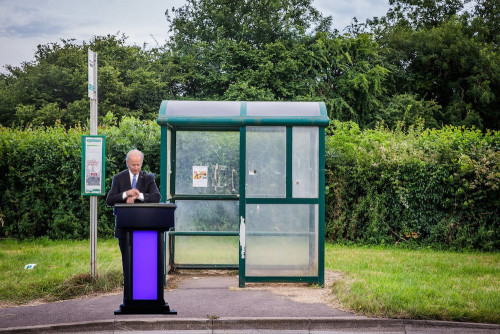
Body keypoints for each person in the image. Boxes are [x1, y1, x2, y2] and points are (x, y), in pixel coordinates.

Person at [106, 149, 161, 302]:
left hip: (144, 228)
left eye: (138, 164)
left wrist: (139, 195)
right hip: (124, 229)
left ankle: (144, 297)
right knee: (127, 262)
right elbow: (110, 200)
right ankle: (128, 297)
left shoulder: (148, 178)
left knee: (143, 263)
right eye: (133, 165)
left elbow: (156, 197)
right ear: (127, 163)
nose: (136, 168)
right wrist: (126, 194)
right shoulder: (119, 178)